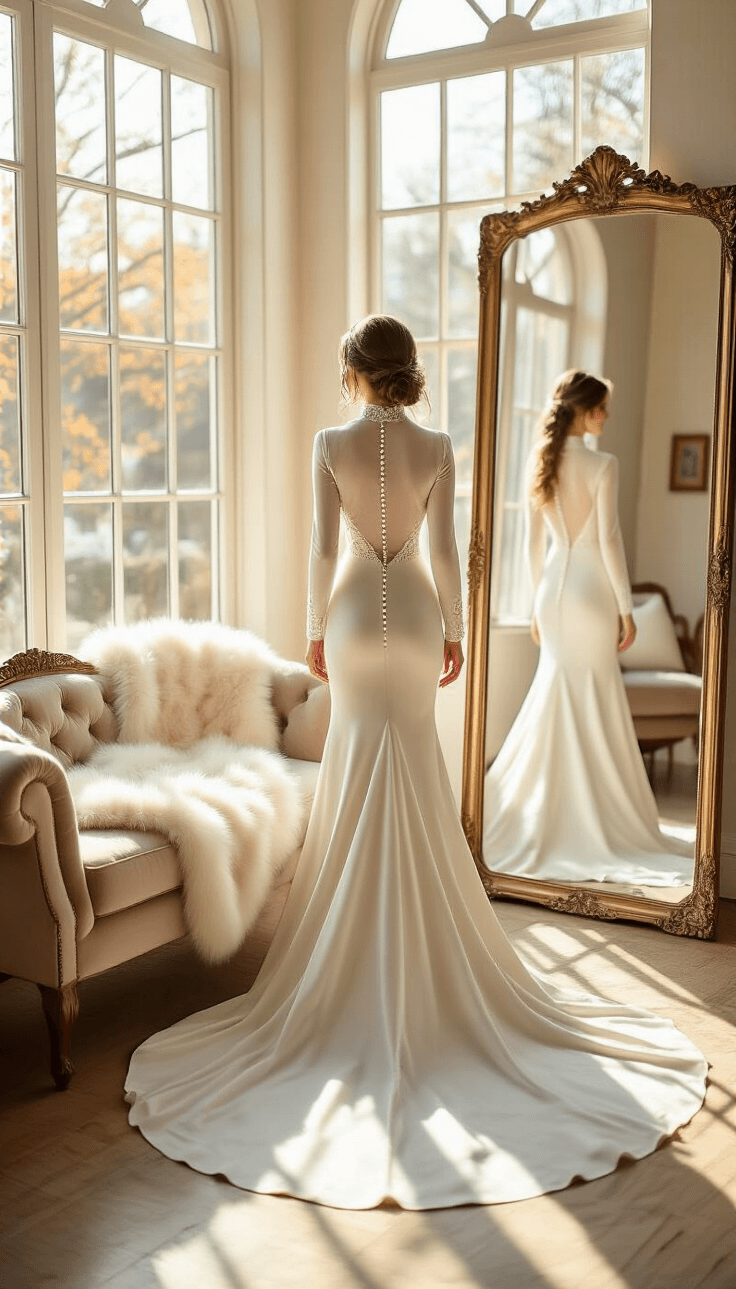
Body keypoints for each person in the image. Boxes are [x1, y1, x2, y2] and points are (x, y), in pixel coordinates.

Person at [125, 324, 705, 1211]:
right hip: (421, 619)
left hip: (357, 616)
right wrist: (459, 635)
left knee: (361, 775)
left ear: (353, 372)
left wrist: (315, 631)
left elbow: (326, 551)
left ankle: (349, 963)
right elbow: (443, 556)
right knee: (414, 777)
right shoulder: (436, 445)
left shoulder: (331, 442)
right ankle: (422, 958)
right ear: (411, 372)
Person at [483, 369, 694, 886]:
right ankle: (586, 819)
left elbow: (533, 544)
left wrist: (536, 604)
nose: (606, 417)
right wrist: (626, 609)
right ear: (583, 410)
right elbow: (610, 541)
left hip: (553, 589)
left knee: (553, 693)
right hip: (591, 591)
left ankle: (534, 818)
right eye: (601, 408)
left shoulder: (543, 462)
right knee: (593, 695)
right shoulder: (603, 463)